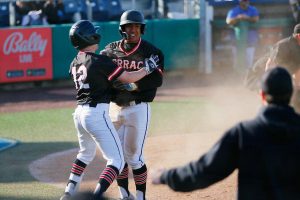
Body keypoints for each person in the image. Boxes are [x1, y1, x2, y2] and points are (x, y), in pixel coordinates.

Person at [151, 67, 300, 200]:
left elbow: (204, 171)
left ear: (261, 95)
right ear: (291, 95)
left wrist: (166, 176)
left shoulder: (244, 133)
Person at [60, 20, 160, 200]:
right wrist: (147, 68)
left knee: (85, 154)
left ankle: (68, 194)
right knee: (117, 160)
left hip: (79, 113)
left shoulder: (74, 62)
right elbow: (128, 77)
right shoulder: (100, 60)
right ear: (88, 37)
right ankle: (97, 196)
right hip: (96, 113)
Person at [100, 10, 164, 200]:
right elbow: (101, 75)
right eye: (129, 26)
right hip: (114, 108)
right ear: (122, 29)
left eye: (136, 26)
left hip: (138, 108)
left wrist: (130, 84)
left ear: (142, 28)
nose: (133, 29)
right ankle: (123, 194)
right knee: (118, 158)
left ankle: (140, 196)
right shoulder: (110, 50)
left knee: (134, 157)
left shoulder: (152, 52)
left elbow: (156, 81)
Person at [245, 23, 300, 113]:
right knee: (272, 97)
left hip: (275, 75)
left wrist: (297, 87)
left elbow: (298, 70)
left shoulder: (298, 47)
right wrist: (271, 85)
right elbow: (270, 66)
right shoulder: (284, 45)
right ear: (298, 36)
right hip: (259, 75)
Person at [226, 0, 259, 70]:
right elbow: (228, 21)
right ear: (240, 1)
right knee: (237, 63)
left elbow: (256, 19)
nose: (245, 2)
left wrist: (246, 18)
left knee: (249, 65)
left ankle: (247, 79)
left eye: (246, 0)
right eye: (243, 0)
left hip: (250, 42)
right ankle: (237, 78)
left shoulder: (252, 9)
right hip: (237, 43)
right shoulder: (234, 10)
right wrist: (238, 18)